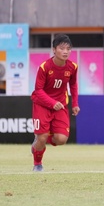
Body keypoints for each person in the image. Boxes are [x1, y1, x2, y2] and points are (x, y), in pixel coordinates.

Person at [30, 34, 80, 172]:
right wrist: (52, 103)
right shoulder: (44, 67)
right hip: (42, 104)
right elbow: (38, 90)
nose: (65, 51)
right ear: (54, 49)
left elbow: (73, 85)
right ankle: (37, 163)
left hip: (60, 106)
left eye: (68, 49)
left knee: (61, 139)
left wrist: (75, 103)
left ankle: (41, 141)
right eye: (62, 48)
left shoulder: (73, 67)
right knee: (42, 138)